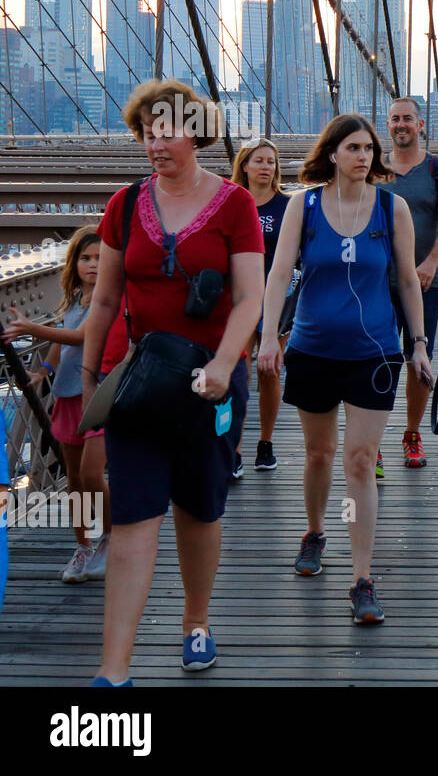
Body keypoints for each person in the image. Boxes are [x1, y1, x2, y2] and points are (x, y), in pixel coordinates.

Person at [81, 79, 264, 686]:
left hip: (210, 381)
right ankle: (113, 673)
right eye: (147, 132)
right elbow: (104, 300)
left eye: (168, 130)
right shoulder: (124, 205)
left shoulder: (236, 205)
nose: (156, 143)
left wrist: (223, 363)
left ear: (198, 133)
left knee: (199, 508)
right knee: (133, 516)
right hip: (139, 382)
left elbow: (249, 298)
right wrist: (90, 380)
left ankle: (197, 620)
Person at [259, 114, 435, 625]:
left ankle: (362, 578)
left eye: (368, 148)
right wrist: (270, 335)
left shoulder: (390, 206)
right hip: (312, 350)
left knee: (360, 462)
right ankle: (315, 531)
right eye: (353, 148)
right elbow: (278, 273)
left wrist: (418, 345)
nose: (363, 156)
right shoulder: (304, 205)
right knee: (318, 455)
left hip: (374, 352)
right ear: (332, 153)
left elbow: (406, 280)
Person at [5, 226, 112, 582]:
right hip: (67, 395)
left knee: (93, 474)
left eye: (99, 258)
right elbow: (63, 340)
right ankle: (83, 547)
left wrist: (30, 330)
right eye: (85, 258)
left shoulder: (108, 298)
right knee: (75, 480)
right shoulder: (74, 297)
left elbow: (82, 336)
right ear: (74, 264)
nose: (93, 265)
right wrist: (44, 370)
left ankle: (111, 538)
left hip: (95, 395)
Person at [384, 96, 438, 470]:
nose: (401, 125)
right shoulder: (374, 168)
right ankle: (372, 440)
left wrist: (430, 264)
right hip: (378, 282)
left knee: (419, 356)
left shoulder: (437, 170)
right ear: (388, 126)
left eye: (408, 119)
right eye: (395, 119)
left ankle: (412, 434)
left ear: (421, 124)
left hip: (425, 281)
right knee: (378, 359)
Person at [231, 137, 293, 473]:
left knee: (268, 371)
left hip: (277, 300)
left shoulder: (287, 206)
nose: (266, 167)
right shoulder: (231, 204)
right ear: (244, 165)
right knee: (237, 373)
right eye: (259, 161)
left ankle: (265, 443)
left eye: (271, 161)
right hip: (238, 300)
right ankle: (234, 448)